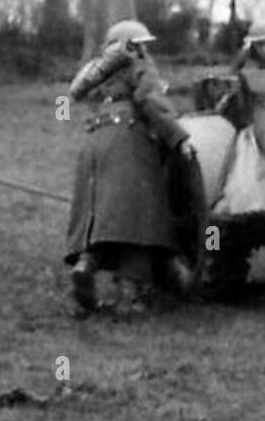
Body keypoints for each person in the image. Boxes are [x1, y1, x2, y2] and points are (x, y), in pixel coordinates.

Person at [65, 20, 197, 315]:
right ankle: (131, 296)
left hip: (94, 145)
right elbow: (151, 101)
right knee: (138, 218)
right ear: (134, 46)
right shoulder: (139, 65)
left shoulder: (98, 71)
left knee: (102, 219)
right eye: (144, 44)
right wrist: (179, 137)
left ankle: (86, 265)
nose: (147, 49)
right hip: (128, 144)